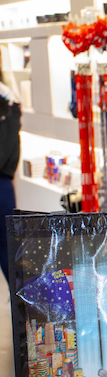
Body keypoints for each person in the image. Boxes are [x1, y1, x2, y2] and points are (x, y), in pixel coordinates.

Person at [0, 49, 21, 287]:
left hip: (1, 183)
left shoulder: (6, 98)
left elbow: (6, 151)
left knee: (7, 246)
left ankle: (20, 304)